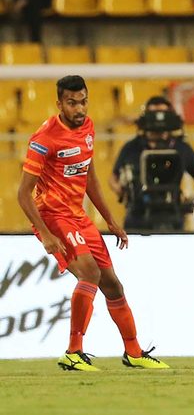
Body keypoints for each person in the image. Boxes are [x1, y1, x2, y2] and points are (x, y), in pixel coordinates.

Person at [17, 75, 169, 371]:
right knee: (89, 273)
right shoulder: (44, 139)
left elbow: (89, 177)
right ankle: (73, 352)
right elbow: (23, 194)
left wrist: (111, 220)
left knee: (113, 285)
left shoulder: (88, 127)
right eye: (72, 103)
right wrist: (46, 234)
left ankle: (134, 353)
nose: (79, 108)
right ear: (59, 104)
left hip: (79, 217)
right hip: (53, 216)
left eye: (83, 102)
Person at [109, 96, 194, 231]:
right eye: (153, 114)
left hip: (172, 213)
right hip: (138, 215)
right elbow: (113, 177)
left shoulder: (181, 148)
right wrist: (121, 190)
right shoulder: (132, 147)